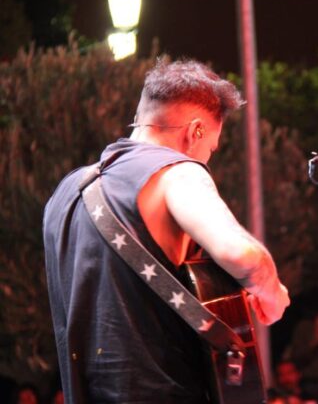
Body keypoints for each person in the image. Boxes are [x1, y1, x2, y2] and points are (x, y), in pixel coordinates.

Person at [43, 60, 290, 403]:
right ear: (196, 131)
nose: (207, 159)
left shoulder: (65, 193)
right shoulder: (177, 172)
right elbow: (242, 255)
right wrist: (272, 293)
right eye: (211, 148)